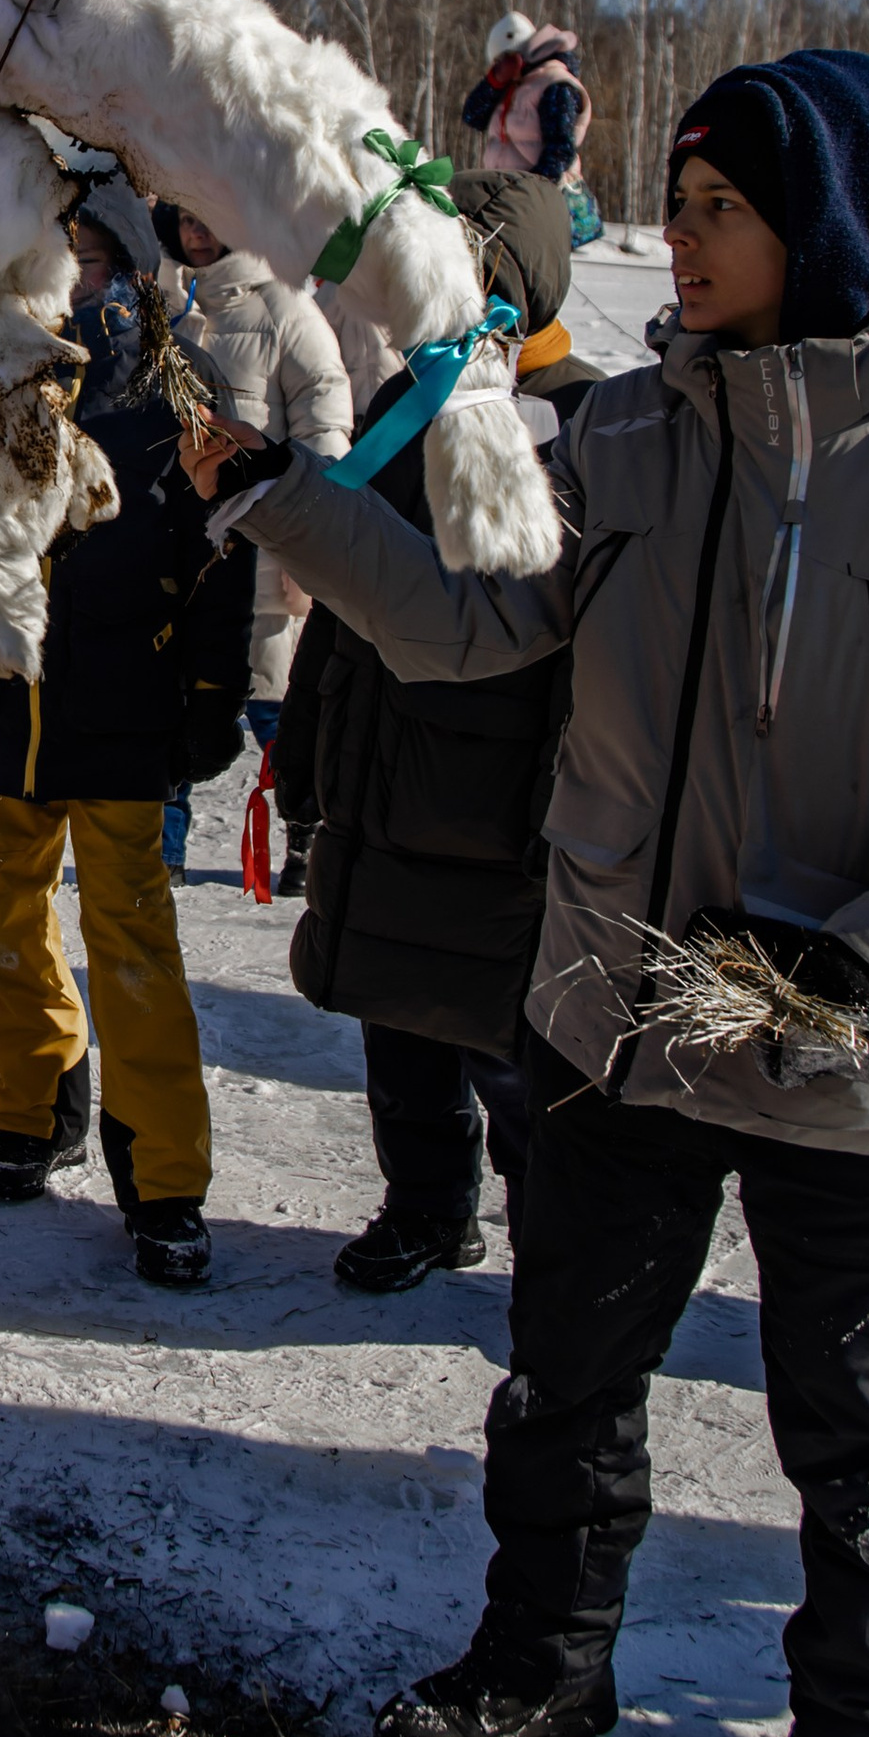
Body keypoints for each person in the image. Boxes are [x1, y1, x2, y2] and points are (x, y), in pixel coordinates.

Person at [198, 48, 869, 1737]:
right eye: (678, 206)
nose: (676, 242)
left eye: (715, 211)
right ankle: (548, 1649)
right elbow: (463, 614)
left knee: (867, 1460)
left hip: (839, 1024)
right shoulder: (619, 435)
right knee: (557, 1375)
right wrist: (277, 498)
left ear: (825, 225)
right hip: (620, 998)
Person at [274, 173, 604, 1291]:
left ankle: (552, 1233)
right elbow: (343, 597)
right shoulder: (399, 405)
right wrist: (309, 750)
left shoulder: (577, 415)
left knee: (505, 1045)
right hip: (380, 767)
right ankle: (423, 1207)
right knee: (393, 1018)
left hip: (496, 803)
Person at [0, 190, 253, 1288]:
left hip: (120, 718)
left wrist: (211, 692)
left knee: (134, 951)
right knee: (9, 931)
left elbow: (223, 549)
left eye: (96, 263)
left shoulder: (177, 395)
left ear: (134, 277)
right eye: (52, 263)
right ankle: (34, 1109)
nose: (73, 285)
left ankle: (163, 1179)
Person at [151, 202, 351, 870]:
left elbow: (324, 418)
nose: (199, 228)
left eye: (213, 213)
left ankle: (303, 837)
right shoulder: (162, 304)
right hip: (179, 544)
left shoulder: (286, 309)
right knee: (171, 700)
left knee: (274, 701)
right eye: (186, 216)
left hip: (265, 546)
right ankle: (162, 847)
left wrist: (313, 522)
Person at [464, 13, 599, 242]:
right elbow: (472, 116)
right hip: (507, 197)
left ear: (515, 55)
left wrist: (527, 195)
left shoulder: (554, 83)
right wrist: (494, 82)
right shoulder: (512, 86)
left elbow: (560, 149)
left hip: (536, 205)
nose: (497, 68)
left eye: (500, 61)